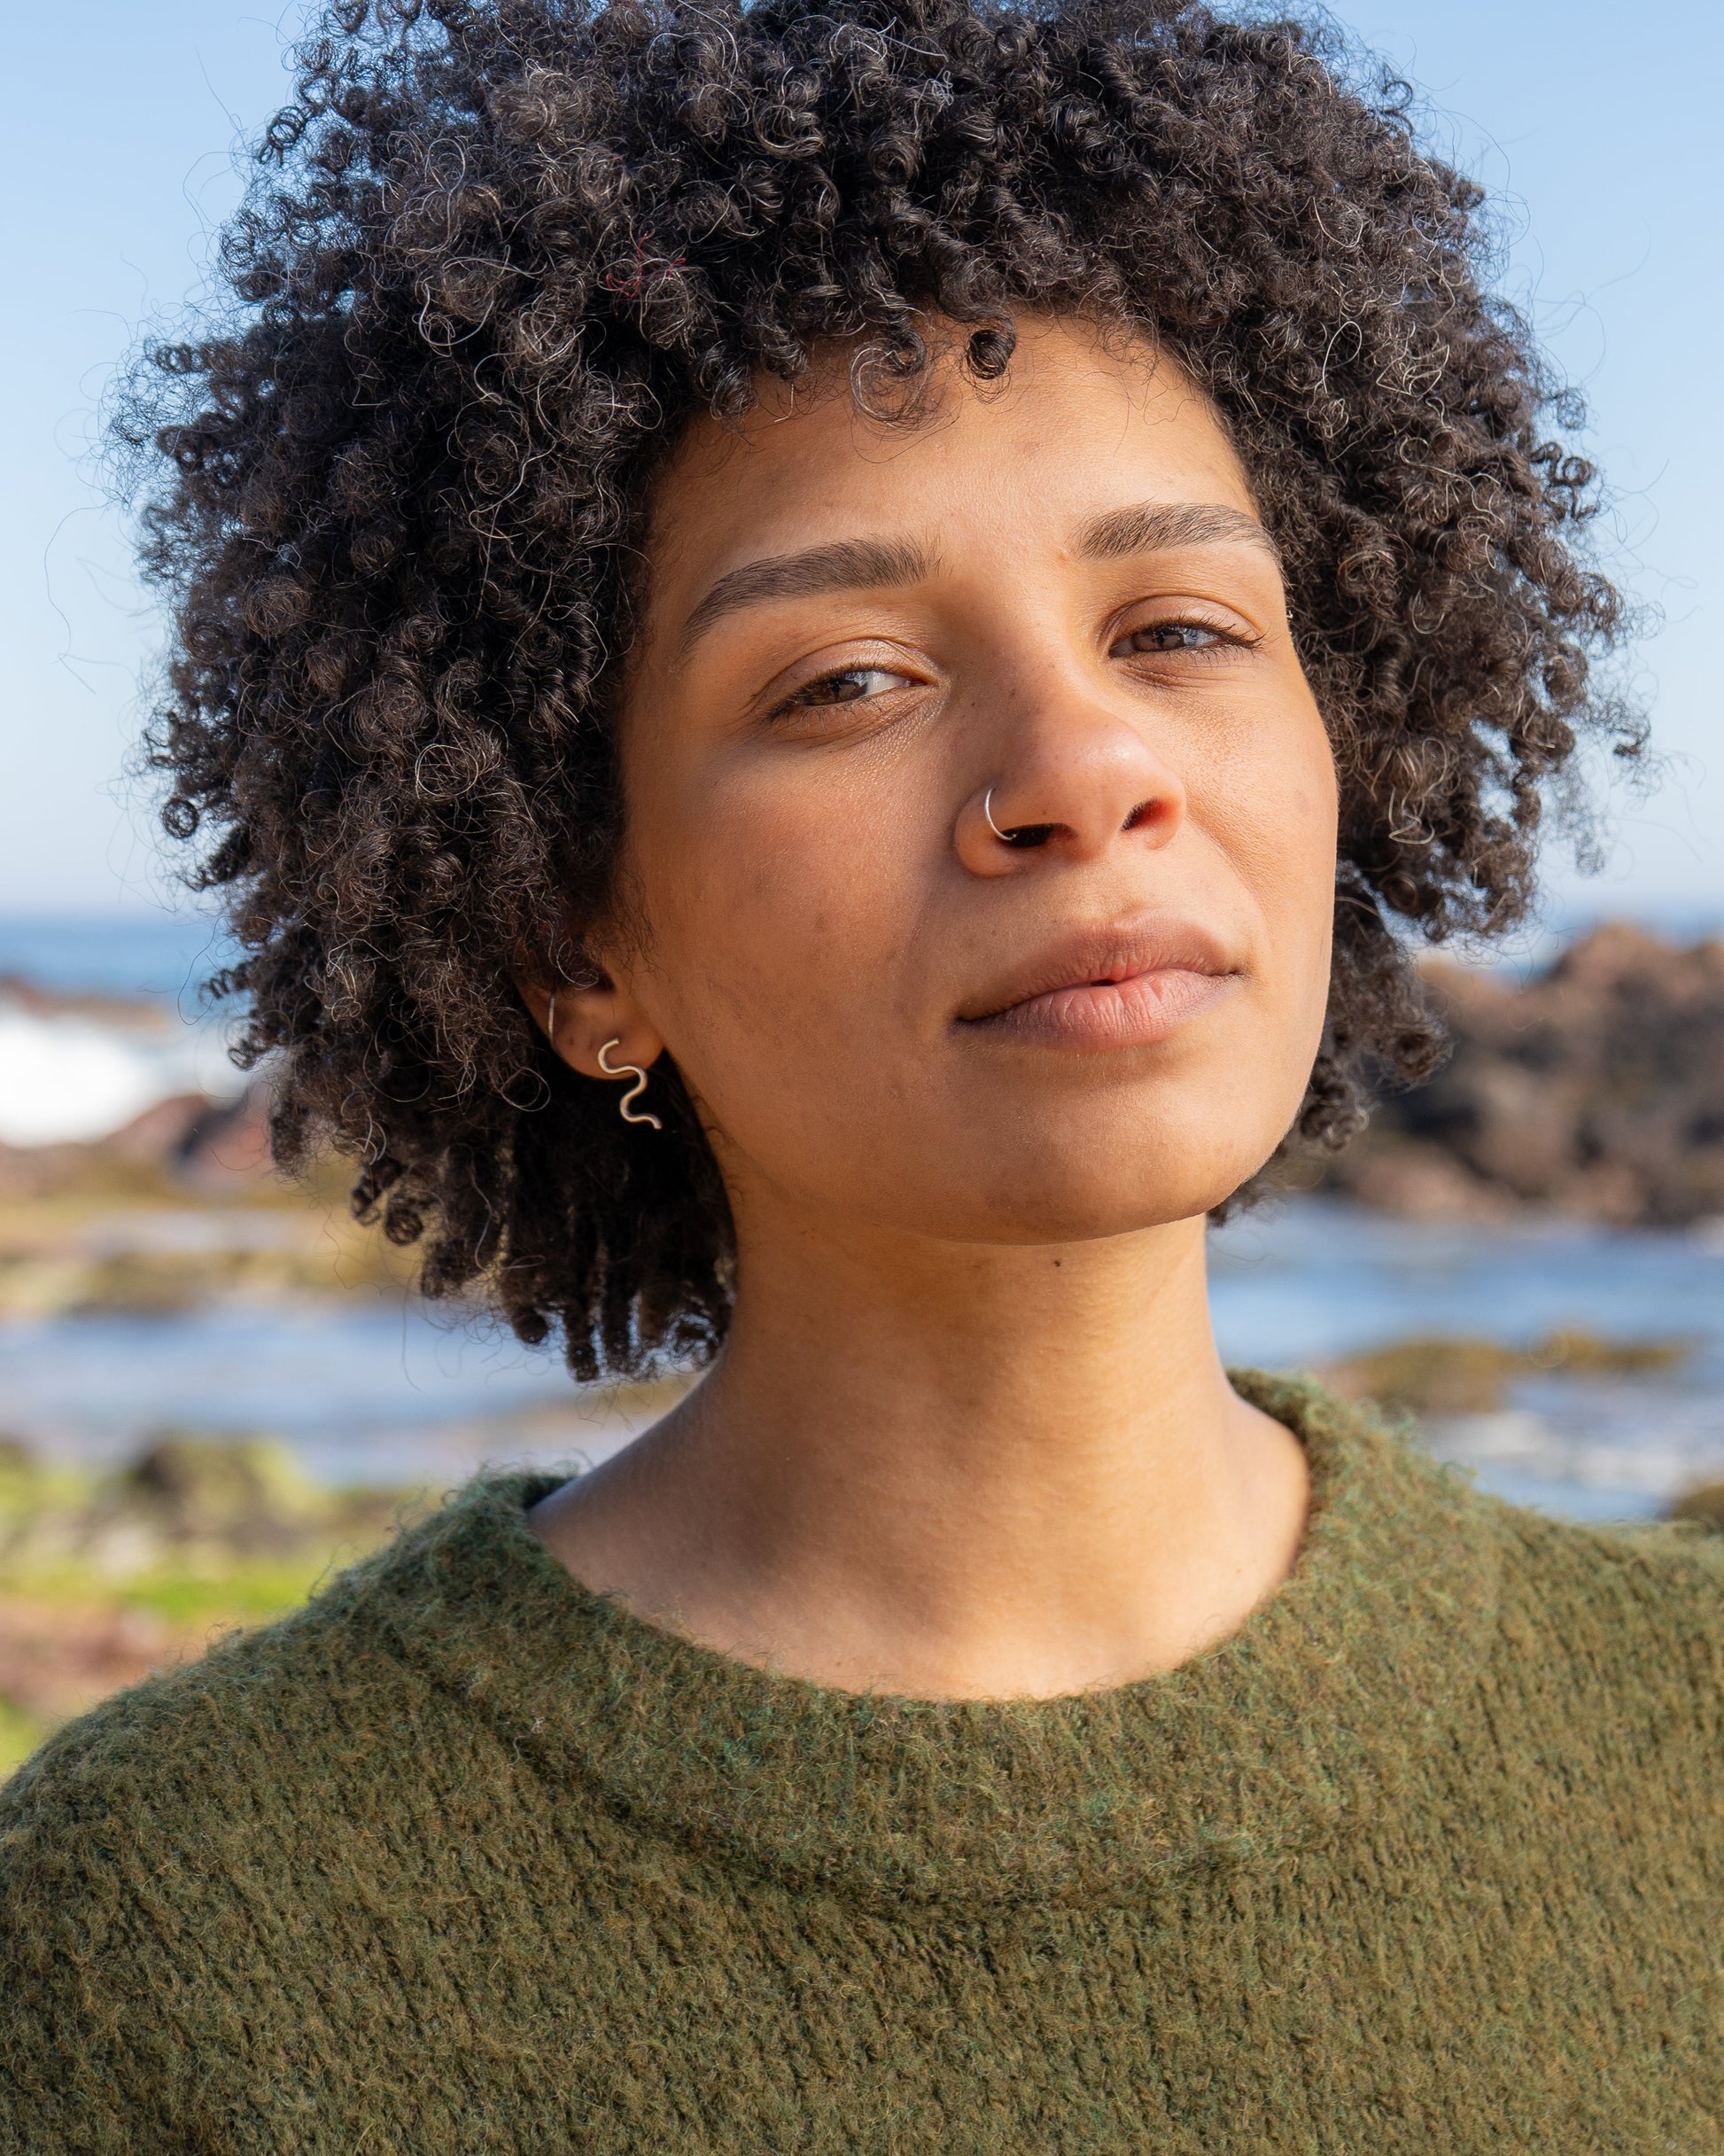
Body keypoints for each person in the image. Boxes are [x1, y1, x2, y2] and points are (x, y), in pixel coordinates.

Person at [3, 0, 1719, 2146]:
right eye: (847, 679)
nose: (1082, 769)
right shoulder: (168, 1933)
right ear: (569, 939)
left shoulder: (1695, 1741)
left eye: (1178, 629)